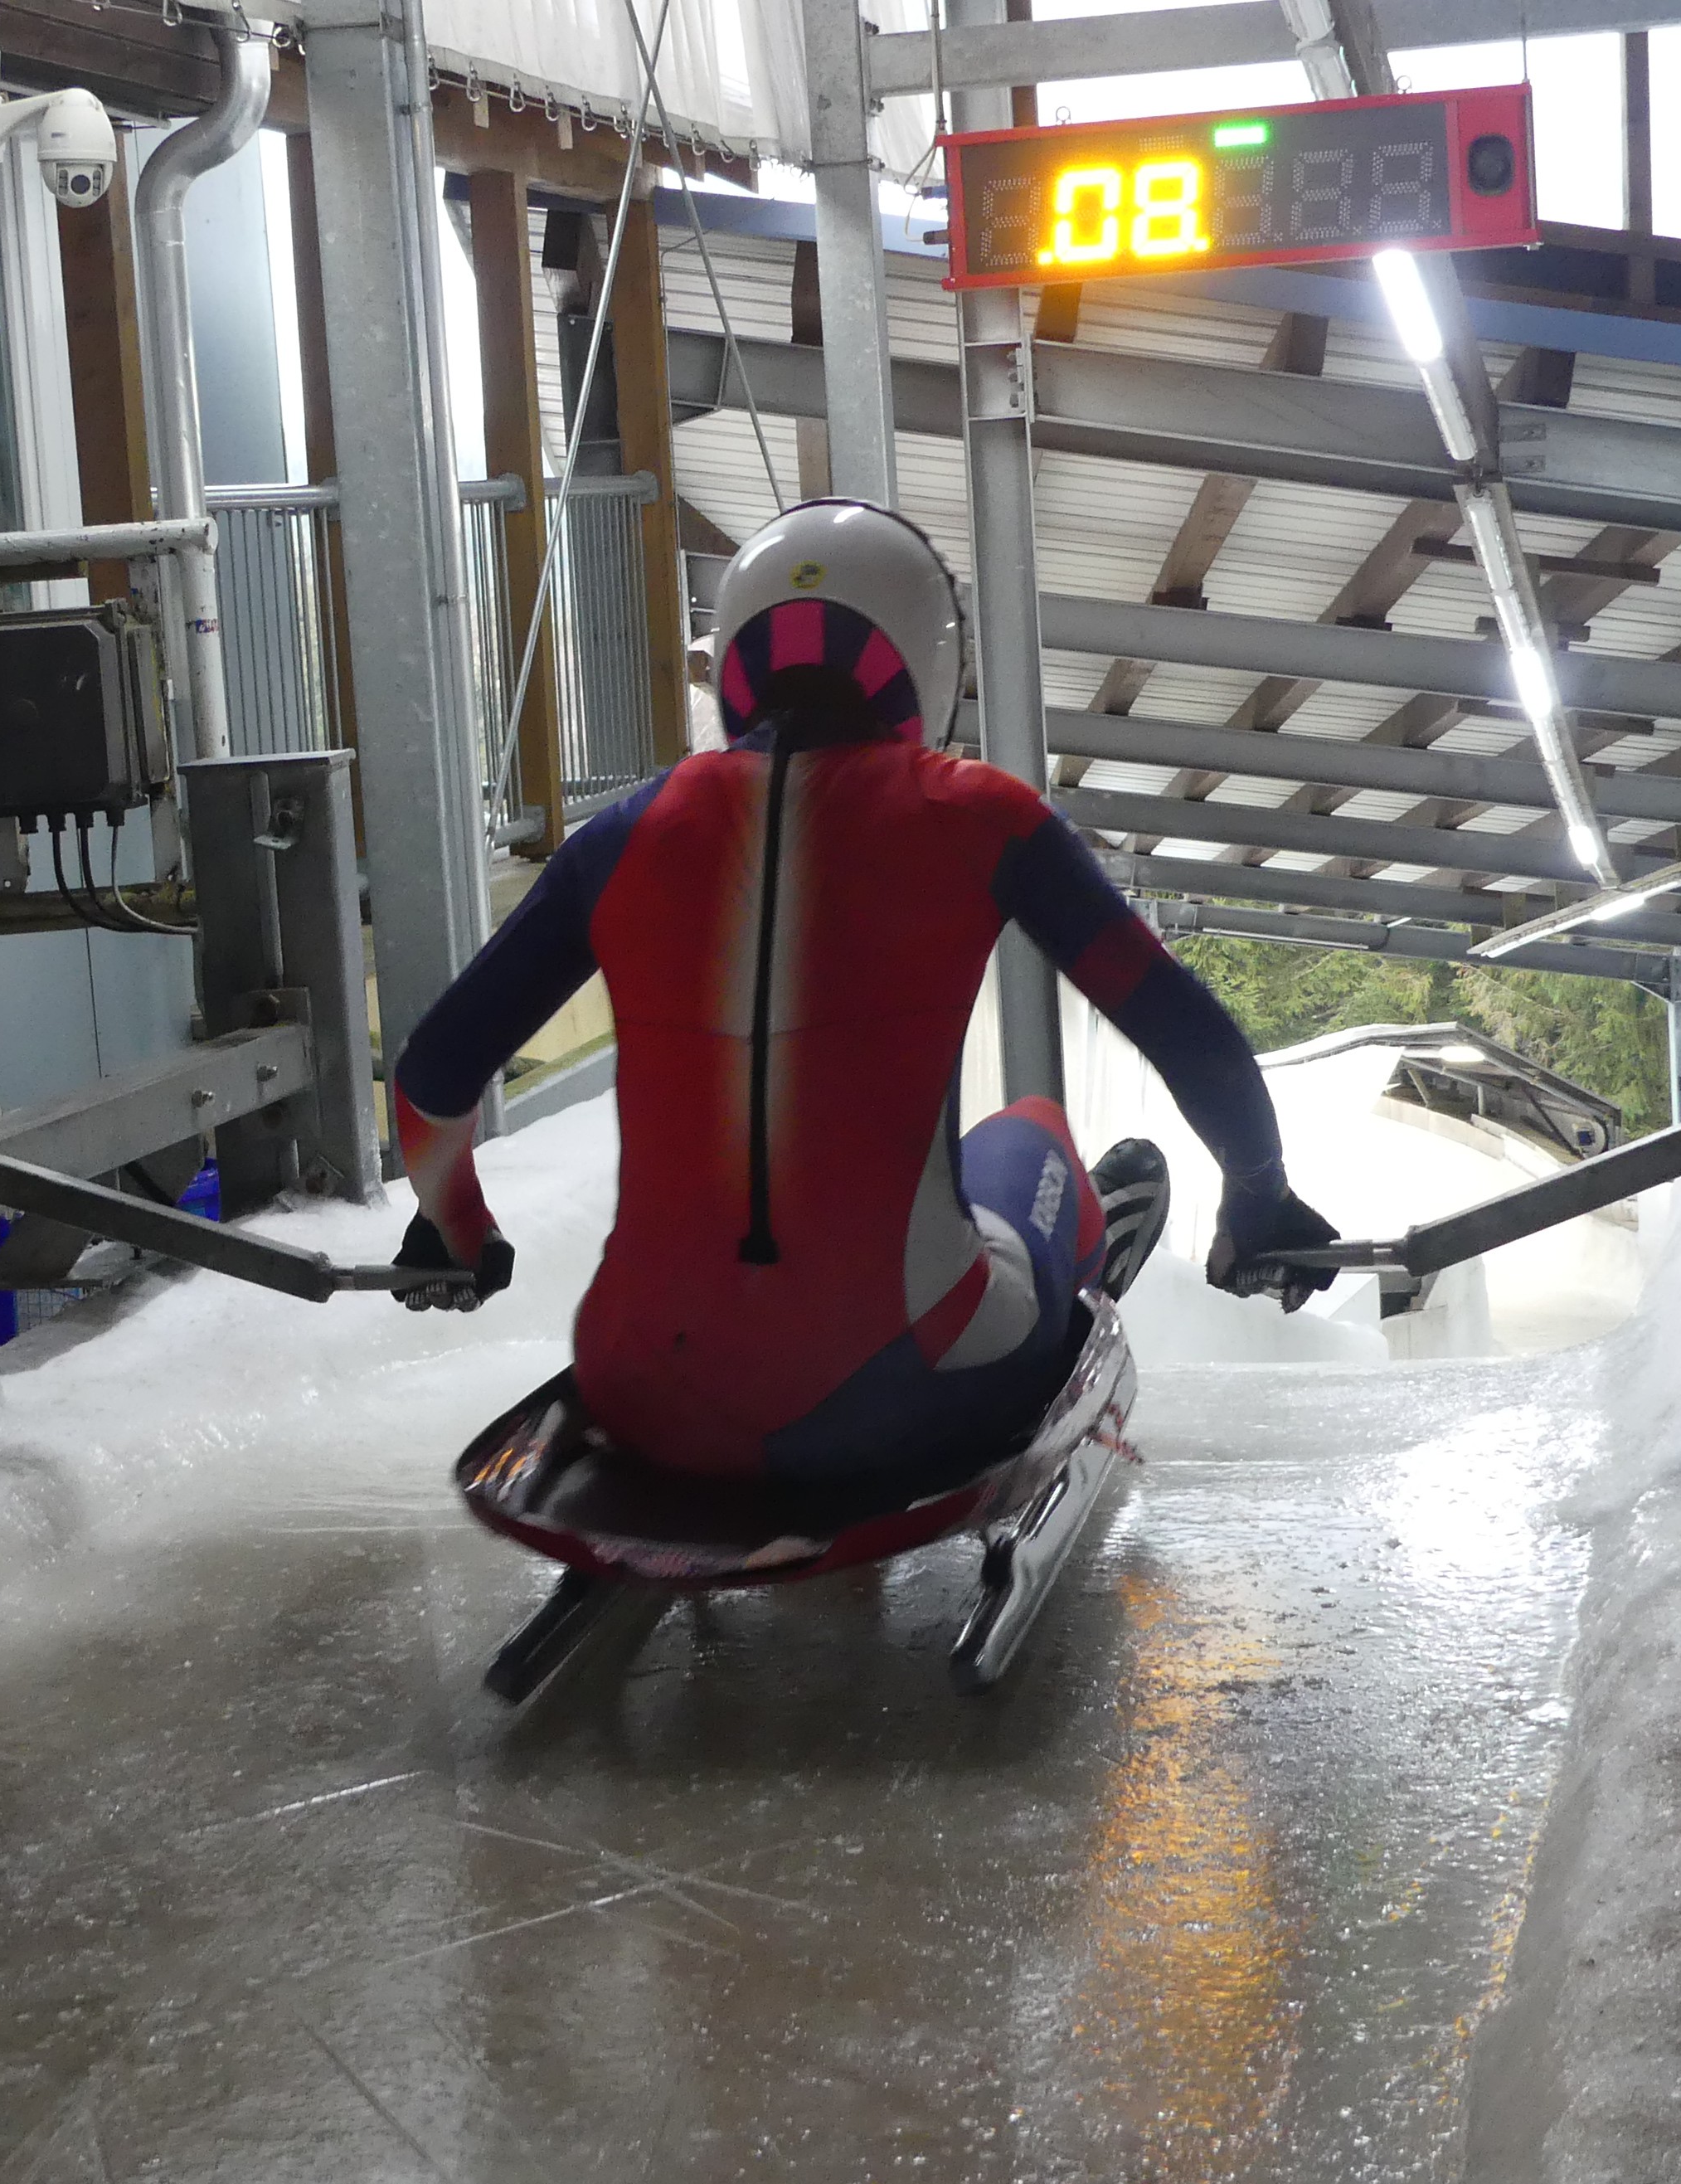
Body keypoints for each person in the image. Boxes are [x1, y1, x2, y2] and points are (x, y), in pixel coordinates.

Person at [390, 499, 1338, 1489]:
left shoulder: (620, 836)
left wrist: (454, 1227)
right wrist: (1259, 1202)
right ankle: (1069, 1286)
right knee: (1034, 1135)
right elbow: (1187, 1032)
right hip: (898, 1399)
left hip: (638, 1389)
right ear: (925, 660)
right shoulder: (982, 815)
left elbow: (432, 1075)